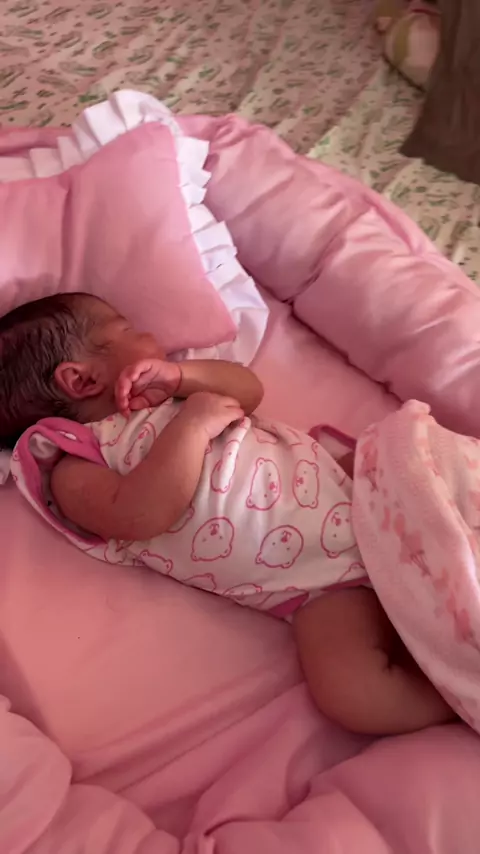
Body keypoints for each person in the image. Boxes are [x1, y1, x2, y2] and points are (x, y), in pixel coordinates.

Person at [0, 293, 454, 735]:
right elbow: (140, 516)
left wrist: (182, 378)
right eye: (129, 330)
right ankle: (457, 688)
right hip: (318, 581)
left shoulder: (169, 392)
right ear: (80, 380)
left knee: (415, 451)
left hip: (354, 488)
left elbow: (249, 391)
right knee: (355, 694)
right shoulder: (74, 465)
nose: (151, 336)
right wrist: (192, 426)